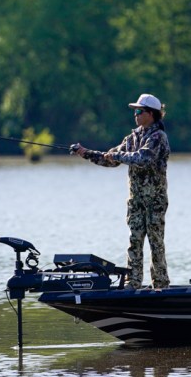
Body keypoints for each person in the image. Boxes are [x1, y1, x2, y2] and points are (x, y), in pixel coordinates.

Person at [71, 94, 171, 289]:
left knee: (156, 242)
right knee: (134, 241)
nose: (135, 114)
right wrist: (85, 152)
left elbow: (142, 158)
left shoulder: (158, 137)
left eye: (139, 111)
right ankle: (133, 282)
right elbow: (110, 159)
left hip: (155, 202)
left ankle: (160, 284)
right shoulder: (132, 138)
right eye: (135, 111)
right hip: (136, 201)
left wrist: (116, 155)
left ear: (151, 114)